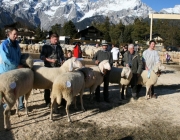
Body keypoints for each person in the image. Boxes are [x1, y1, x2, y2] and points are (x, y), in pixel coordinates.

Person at [0, 27, 24, 110]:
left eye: (17, 34)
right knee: (8, 89)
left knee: (18, 86)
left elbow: (19, 55)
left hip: (15, 71)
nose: (16, 36)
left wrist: (23, 62)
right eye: (14, 34)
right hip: (6, 71)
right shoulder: (4, 44)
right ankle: (6, 107)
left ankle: (20, 105)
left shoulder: (16, 44)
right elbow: (6, 58)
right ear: (9, 34)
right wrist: (17, 65)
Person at [40, 33, 65, 107]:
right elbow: (41, 57)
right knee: (47, 85)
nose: (56, 41)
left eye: (57, 39)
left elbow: (62, 55)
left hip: (57, 69)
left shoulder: (59, 47)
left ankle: (60, 100)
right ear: (51, 39)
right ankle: (48, 101)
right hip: (49, 68)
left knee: (59, 85)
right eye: (55, 39)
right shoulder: (45, 47)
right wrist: (50, 60)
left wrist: (63, 60)